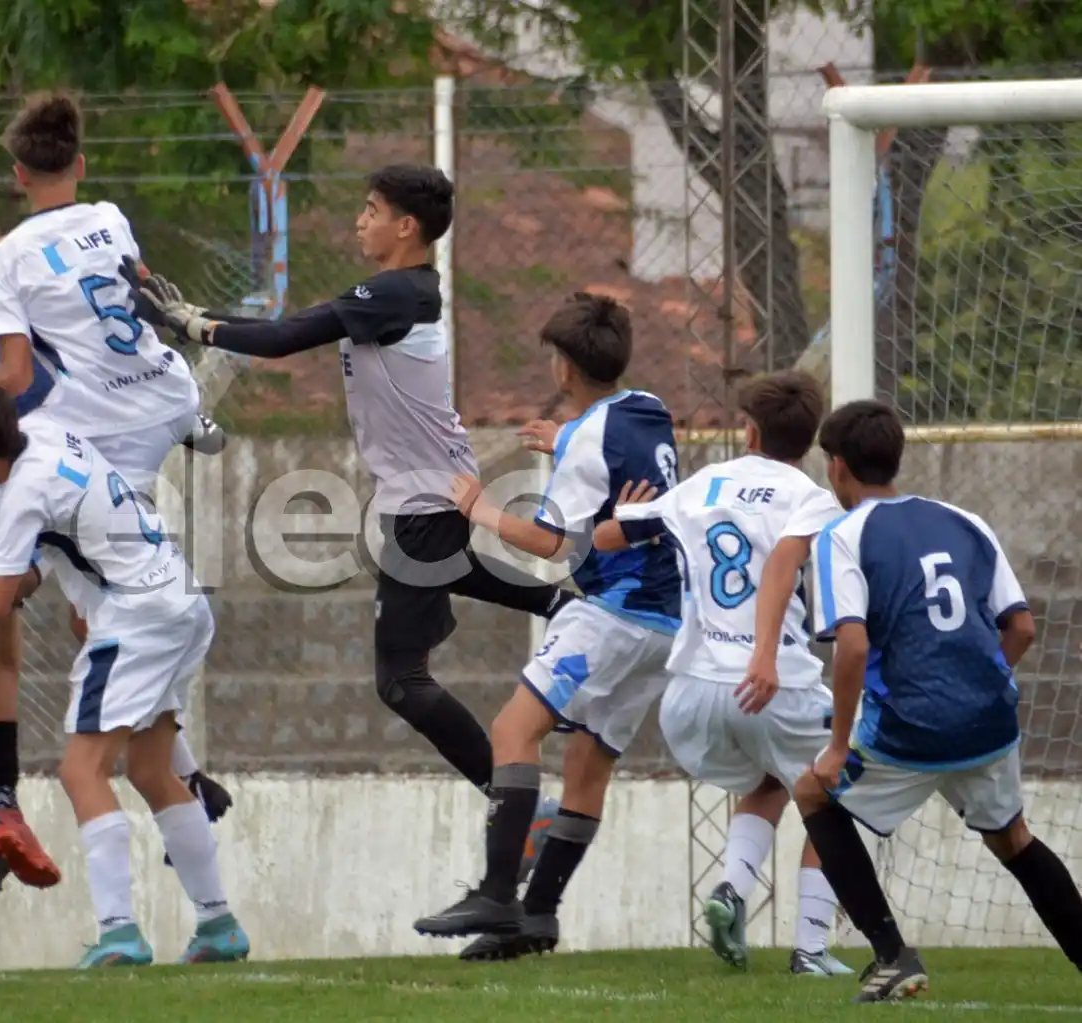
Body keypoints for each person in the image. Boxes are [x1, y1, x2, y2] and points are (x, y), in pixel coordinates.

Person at [0, 92, 225, 889]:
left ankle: (188, 779)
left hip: (105, 425)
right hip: (166, 393)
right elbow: (133, 291)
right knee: (85, 590)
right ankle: (188, 775)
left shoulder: (10, 256)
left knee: (98, 590)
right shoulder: (111, 215)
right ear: (81, 165)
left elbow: (18, 375)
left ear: (17, 171)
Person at [126, 163, 576, 802]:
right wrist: (192, 315)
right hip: (423, 492)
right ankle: (564, 605)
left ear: (406, 225)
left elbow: (283, 340)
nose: (359, 221)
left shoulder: (399, 295)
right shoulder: (400, 292)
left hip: (426, 497)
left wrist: (188, 325)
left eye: (370, 209)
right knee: (444, 570)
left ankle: (514, 800)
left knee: (401, 682)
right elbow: (289, 329)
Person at [0, 381, 249, 967]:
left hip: (135, 620)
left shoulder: (25, 491)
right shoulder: (47, 437)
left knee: (82, 772)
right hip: (179, 602)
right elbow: (13, 572)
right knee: (154, 771)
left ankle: (120, 933)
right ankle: (219, 924)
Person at [410, 293, 681, 959]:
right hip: (669, 620)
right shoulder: (648, 409)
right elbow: (621, 466)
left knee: (512, 729)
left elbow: (554, 544)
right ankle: (538, 918)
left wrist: (480, 509)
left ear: (563, 368)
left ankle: (497, 893)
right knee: (588, 763)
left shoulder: (587, 438)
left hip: (613, 612)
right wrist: (566, 441)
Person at [792, 400, 1082, 1002]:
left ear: (837, 467)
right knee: (1013, 839)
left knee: (813, 791)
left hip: (912, 724)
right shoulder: (964, 519)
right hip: (990, 716)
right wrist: (977, 679)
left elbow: (850, 648)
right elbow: (1022, 627)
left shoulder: (841, 536)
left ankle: (892, 956)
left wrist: (839, 745)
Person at [596, 369, 852, 976]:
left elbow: (606, 538)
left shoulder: (700, 486)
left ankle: (732, 891)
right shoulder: (809, 497)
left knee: (767, 783)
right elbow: (783, 570)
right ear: (810, 439)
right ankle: (811, 951)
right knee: (840, 796)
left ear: (750, 431)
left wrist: (626, 514)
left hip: (690, 691)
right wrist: (763, 653)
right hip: (772, 684)